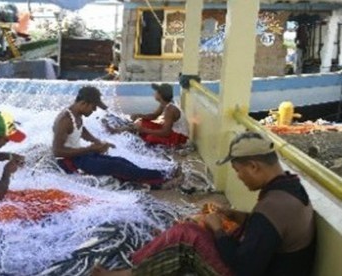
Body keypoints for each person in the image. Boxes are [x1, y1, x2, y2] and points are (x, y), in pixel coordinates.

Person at [93, 131, 315, 276]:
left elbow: (244, 268)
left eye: (239, 172)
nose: (239, 178)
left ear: (255, 167)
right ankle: (140, 265)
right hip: (269, 263)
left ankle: (128, 274)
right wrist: (240, 216)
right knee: (195, 228)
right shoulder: (289, 187)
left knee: (186, 237)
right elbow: (269, 230)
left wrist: (218, 229)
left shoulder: (273, 207)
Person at [52, 86, 182, 189]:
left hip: (80, 156)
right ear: (84, 103)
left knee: (119, 160)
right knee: (118, 167)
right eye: (93, 107)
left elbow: (80, 129)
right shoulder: (65, 120)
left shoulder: (76, 113)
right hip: (70, 163)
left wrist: (97, 142)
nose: (94, 111)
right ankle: (163, 178)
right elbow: (57, 151)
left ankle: (164, 173)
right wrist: (91, 149)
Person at [105, 83, 189, 147]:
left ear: (160, 95)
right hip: (170, 130)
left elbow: (166, 133)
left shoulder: (170, 109)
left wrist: (144, 130)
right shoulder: (165, 104)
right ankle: (117, 130)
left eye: (156, 92)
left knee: (150, 137)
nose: (154, 94)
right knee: (142, 122)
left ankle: (122, 131)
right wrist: (139, 115)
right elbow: (154, 116)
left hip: (179, 137)